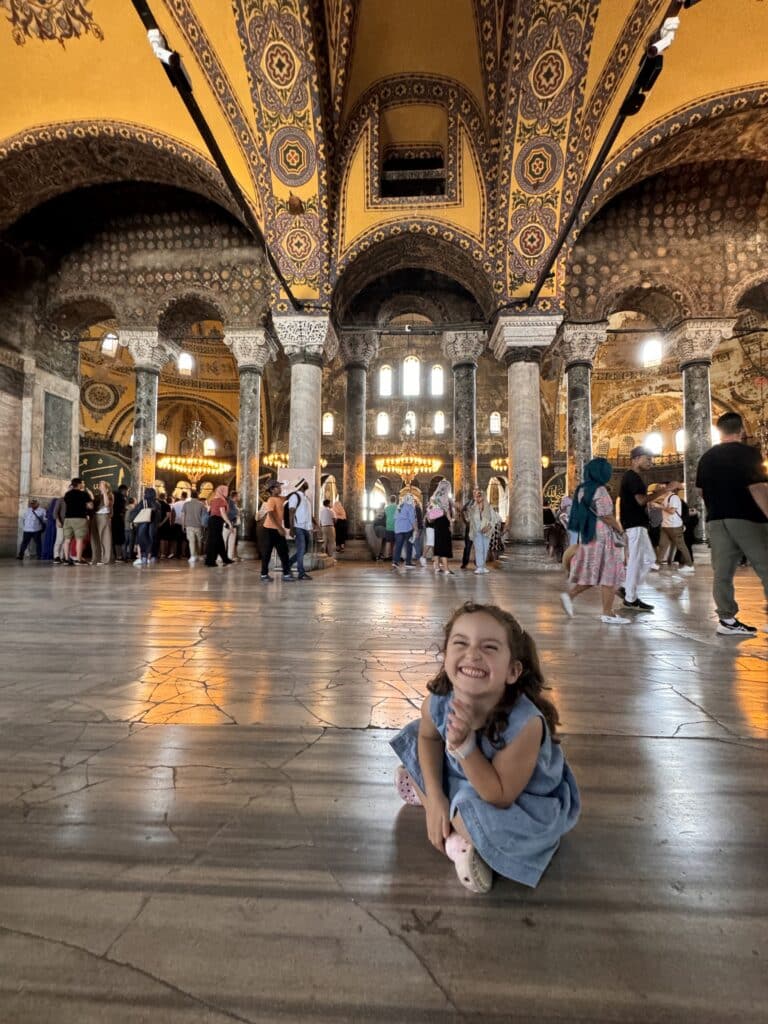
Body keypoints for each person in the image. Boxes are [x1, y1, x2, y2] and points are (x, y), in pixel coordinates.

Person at [390, 601, 580, 893]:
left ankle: (454, 834)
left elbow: (499, 796)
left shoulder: (525, 724)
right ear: (446, 656)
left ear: (512, 671)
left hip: (517, 799)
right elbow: (427, 738)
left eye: (489, 648)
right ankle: (436, 806)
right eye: (460, 643)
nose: (473, 654)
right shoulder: (439, 701)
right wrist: (437, 800)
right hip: (466, 778)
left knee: (482, 815)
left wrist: (465, 746)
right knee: (415, 740)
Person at [695, 411, 768, 636]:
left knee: (722, 572)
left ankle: (726, 619)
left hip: (717, 520)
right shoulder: (749, 453)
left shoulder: (707, 456)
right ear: (741, 430)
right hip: (747, 517)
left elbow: (700, 491)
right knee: (766, 566)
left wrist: (717, 506)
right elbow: (757, 487)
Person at [560, 458, 628, 624]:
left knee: (594, 573)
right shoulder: (600, 490)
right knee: (610, 574)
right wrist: (620, 529)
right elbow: (606, 515)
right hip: (603, 536)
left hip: (589, 535)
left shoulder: (582, 490)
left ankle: (570, 596)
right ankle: (607, 613)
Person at [618, 447, 677, 613]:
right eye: (648, 459)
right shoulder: (632, 477)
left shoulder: (633, 477)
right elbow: (641, 500)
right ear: (636, 459)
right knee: (638, 560)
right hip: (634, 524)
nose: (651, 462)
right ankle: (630, 597)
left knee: (648, 559)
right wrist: (665, 490)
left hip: (637, 524)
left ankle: (627, 588)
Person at [260, 481, 294, 582]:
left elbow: (288, 497)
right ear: (272, 489)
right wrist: (279, 527)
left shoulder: (280, 498)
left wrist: (297, 489)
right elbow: (270, 514)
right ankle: (264, 574)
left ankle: (286, 574)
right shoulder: (271, 500)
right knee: (267, 553)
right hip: (269, 530)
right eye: (278, 487)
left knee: (284, 552)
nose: (280, 489)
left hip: (277, 529)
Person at [657, 483, 694, 571]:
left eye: (662, 487)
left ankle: (689, 565)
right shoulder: (665, 498)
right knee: (662, 545)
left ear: (669, 488)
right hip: (665, 525)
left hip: (674, 525)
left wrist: (659, 506)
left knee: (681, 545)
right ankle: (657, 563)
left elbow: (672, 511)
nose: (660, 488)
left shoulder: (674, 497)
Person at [287, 478, 315, 580]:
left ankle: (288, 564)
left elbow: (308, 514)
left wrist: (315, 524)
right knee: (301, 549)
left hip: (305, 528)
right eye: (305, 482)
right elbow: (291, 512)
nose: (307, 483)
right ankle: (301, 573)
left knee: (304, 550)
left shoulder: (305, 498)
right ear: (302, 485)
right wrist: (291, 528)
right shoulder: (295, 496)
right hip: (298, 527)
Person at [62, 478, 94, 565]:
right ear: (79, 484)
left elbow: (66, 502)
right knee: (79, 540)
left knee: (67, 540)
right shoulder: (84, 494)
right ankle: (78, 560)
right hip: (80, 519)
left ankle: (66, 559)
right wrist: (88, 501)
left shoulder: (67, 494)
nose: (83, 485)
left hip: (68, 519)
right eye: (82, 483)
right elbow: (91, 506)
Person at [427, 479, 455, 575]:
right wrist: (451, 523)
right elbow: (446, 511)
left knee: (438, 545)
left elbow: (430, 515)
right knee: (444, 546)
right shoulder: (444, 497)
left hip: (436, 523)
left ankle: (436, 567)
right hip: (443, 522)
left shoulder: (433, 497)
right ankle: (446, 569)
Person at [468, 488, 497, 574]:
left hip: (486, 531)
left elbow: (495, 518)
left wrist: (489, 526)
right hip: (476, 531)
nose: (478, 498)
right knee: (478, 549)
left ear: (483, 497)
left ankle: (483, 566)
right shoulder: (473, 508)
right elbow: (469, 519)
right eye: (476, 496)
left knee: (485, 548)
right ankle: (479, 566)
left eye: (479, 496)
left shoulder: (489, 507)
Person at [129, 487, 159, 567]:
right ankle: (149, 558)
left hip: (143, 524)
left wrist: (131, 519)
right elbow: (159, 516)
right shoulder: (157, 504)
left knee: (141, 540)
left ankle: (141, 558)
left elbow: (135, 512)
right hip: (153, 526)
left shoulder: (143, 502)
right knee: (151, 540)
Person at [205, 485, 234, 567]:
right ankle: (210, 561)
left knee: (218, 541)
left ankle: (225, 559)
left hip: (211, 521)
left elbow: (209, 510)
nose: (227, 492)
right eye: (226, 490)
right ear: (222, 491)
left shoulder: (213, 499)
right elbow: (223, 513)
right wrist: (229, 523)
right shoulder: (221, 500)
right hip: (216, 521)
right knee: (215, 541)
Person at [90, 480, 114, 565]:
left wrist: (104, 492)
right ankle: (95, 558)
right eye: (100, 485)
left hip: (104, 517)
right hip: (95, 517)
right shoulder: (97, 495)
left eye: (101, 485)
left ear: (106, 487)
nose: (99, 486)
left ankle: (105, 559)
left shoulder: (109, 495)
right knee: (94, 539)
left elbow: (107, 504)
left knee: (105, 538)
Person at [392, 492, 417, 570]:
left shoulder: (399, 506)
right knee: (409, 545)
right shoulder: (410, 507)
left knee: (398, 545)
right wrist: (416, 529)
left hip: (398, 528)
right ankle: (408, 562)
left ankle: (395, 562)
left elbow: (395, 517)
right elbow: (412, 519)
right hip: (407, 529)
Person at [181, 489, 206, 564]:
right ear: (197, 496)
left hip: (189, 525)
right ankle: (198, 555)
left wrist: (183, 525)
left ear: (190, 496)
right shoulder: (201, 504)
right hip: (199, 525)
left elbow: (183, 515)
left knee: (191, 541)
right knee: (199, 541)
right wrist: (204, 525)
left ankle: (192, 556)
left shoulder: (186, 504)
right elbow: (204, 515)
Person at [112, 484, 128, 561]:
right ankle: (119, 556)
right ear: (124, 490)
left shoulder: (113, 495)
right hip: (118, 519)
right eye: (127, 491)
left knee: (113, 538)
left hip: (111, 519)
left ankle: (114, 556)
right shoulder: (121, 498)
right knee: (119, 538)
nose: (127, 493)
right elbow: (122, 510)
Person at [225, 489, 240, 562]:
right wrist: (237, 514)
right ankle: (223, 557)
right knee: (226, 541)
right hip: (229, 524)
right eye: (238, 496)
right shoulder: (230, 503)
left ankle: (229, 557)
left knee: (231, 541)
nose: (239, 497)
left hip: (232, 524)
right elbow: (230, 513)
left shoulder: (233, 503)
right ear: (235, 496)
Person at [381, 495, 397, 561]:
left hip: (388, 525)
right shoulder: (397, 507)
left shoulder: (386, 508)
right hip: (396, 526)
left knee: (388, 541)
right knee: (395, 542)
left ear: (390, 500)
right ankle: (394, 556)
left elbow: (384, 517)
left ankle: (387, 556)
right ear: (395, 500)